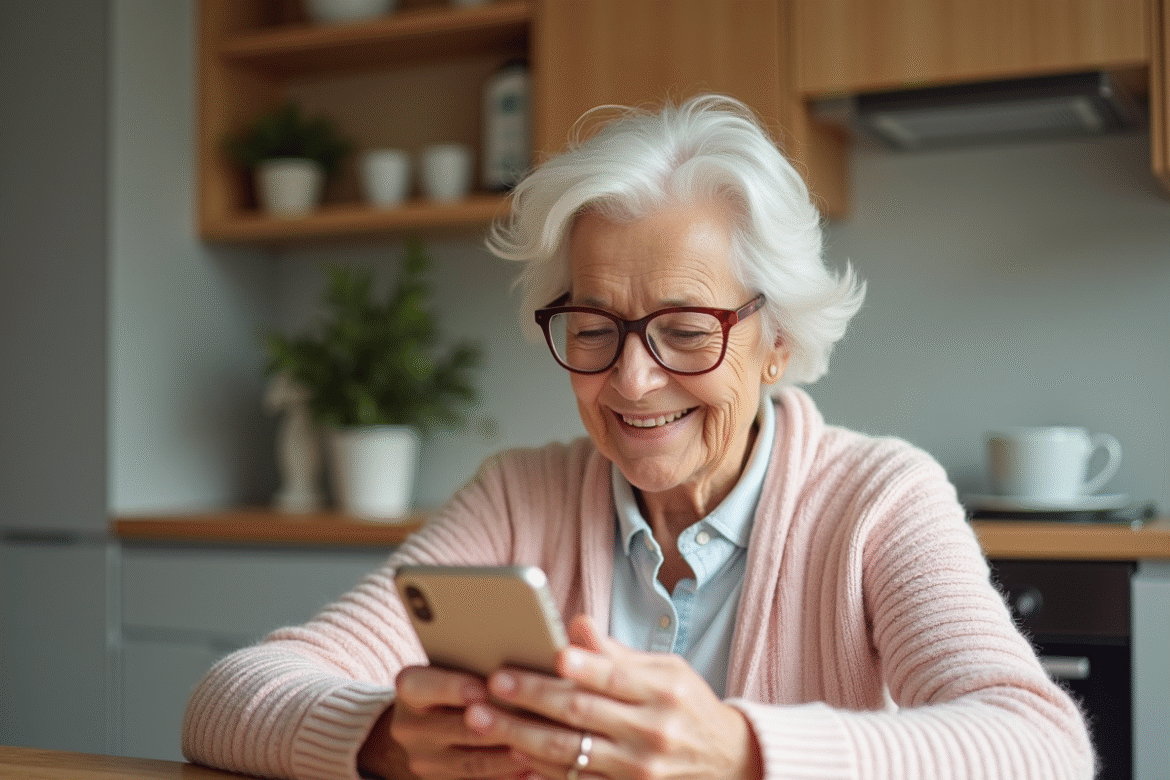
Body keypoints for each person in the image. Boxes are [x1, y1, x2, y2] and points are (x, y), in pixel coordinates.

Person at [182, 94, 1094, 780]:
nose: (632, 379)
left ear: (776, 341)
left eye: (688, 330)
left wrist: (738, 752)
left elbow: (1040, 747)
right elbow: (229, 698)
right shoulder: (517, 497)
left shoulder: (879, 499)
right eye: (593, 327)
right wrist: (389, 739)